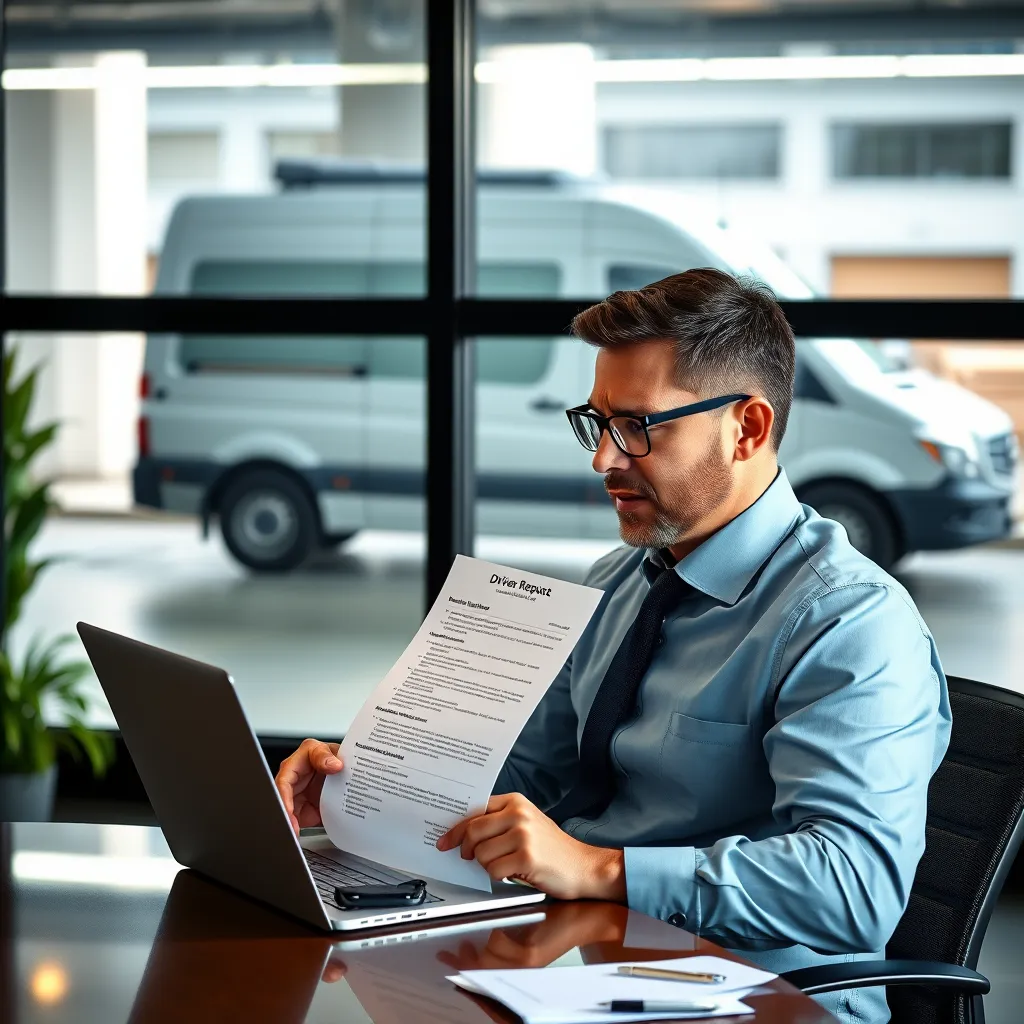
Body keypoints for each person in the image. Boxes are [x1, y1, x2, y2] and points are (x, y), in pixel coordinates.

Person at [276, 268, 951, 1023]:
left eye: (637, 427)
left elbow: (854, 890)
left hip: (758, 1000)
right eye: (597, 424)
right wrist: (357, 786)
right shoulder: (622, 580)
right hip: (594, 962)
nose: (603, 459)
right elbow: (528, 766)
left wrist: (599, 867)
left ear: (747, 429)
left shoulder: (850, 621)